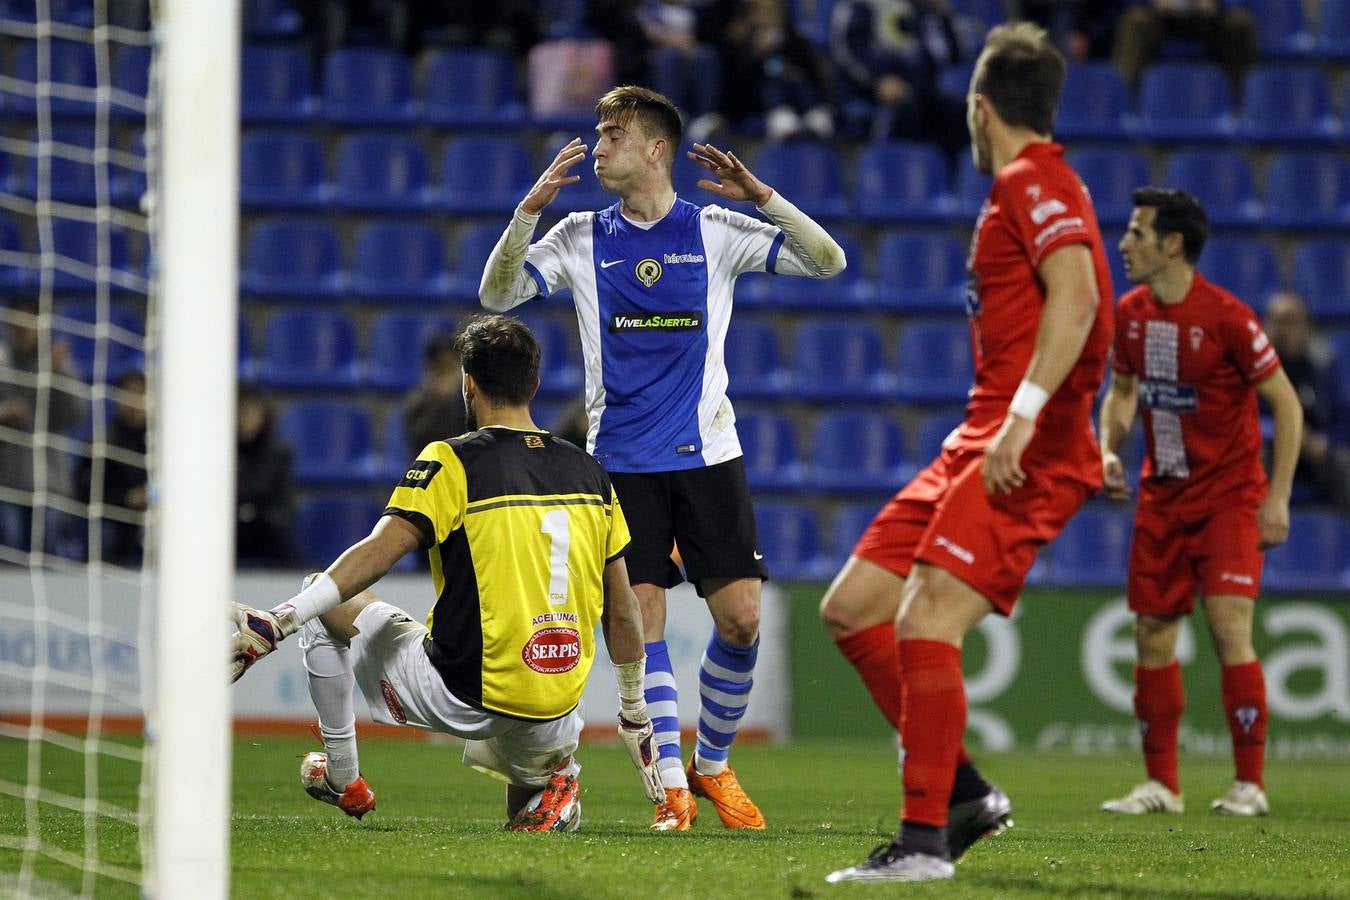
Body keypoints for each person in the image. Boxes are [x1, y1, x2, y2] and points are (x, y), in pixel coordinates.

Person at [479, 84, 846, 831]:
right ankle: (672, 784)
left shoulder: (715, 227)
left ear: (656, 148)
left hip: (709, 452)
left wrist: (763, 196)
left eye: (612, 133)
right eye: (597, 131)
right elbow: (498, 292)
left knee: (740, 618)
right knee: (643, 621)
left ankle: (713, 764)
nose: (597, 145)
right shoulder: (580, 234)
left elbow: (828, 261)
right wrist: (527, 213)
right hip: (618, 460)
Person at [820, 23, 1114, 882]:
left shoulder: (1035, 180)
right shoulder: (1030, 186)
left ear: (981, 110)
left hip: (1017, 446)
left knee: (925, 618)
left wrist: (1030, 419)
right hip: (977, 437)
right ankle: (963, 794)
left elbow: (1082, 297)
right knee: (853, 606)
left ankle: (922, 845)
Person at [229, 315, 663, 831]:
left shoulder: (452, 460)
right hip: (555, 700)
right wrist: (635, 709)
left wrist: (280, 620)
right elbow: (624, 607)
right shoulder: (591, 473)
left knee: (321, 604)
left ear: (469, 383)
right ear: (535, 386)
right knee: (524, 815)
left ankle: (343, 776)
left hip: (460, 689)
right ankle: (555, 783)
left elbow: (379, 552)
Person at [1099, 189, 1302, 818]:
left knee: (1227, 626)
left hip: (1230, 497)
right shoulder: (1131, 315)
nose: (1124, 244)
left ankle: (1249, 785)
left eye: (1137, 233)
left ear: (1173, 244)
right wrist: (1109, 446)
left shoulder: (1228, 318)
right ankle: (1162, 785)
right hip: (1163, 494)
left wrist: (1278, 498)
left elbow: (1287, 407)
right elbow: (1122, 392)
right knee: (1152, 634)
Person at [0, 296, 86, 557]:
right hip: (6, 480)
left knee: (48, 555)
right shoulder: (2, 362)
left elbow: (76, 415)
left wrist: (57, 375)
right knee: (10, 552)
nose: (22, 330)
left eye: (28, 323)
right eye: (16, 324)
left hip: (50, 479)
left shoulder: (59, 364)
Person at [1262, 290, 1350, 514]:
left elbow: (1340, 419)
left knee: (1344, 466)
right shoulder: (1251, 367)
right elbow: (1241, 418)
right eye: (1278, 321)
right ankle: (1252, 544)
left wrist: (1322, 441)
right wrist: (1282, 432)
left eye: (1292, 321)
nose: (1284, 330)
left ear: (1306, 327)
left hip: (1314, 452)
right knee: (1253, 463)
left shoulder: (1323, 366)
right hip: (1272, 448)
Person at [76, 368, 147, 566]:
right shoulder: (100, 443)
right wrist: (126, 498)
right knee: (102, 534)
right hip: (114, 520)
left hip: (151, 520)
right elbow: (84, 490)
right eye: (128, 393)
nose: (133, 400)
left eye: (139, 393)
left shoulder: (162, 446)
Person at [1112, 0, 1257, 94]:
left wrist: (1215, 5)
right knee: (1136, 21)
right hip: (1160, 19)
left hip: (1209, 22)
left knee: (1238, 23)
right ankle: (1124, 100)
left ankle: (1244, 104)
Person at [236, 384, 295, 567]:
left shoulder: (277, 453)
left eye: (251, 411)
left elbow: (281, 507)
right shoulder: (216, 453)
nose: (245, 418)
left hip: (266, 537)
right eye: (240, 411)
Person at [402, 329, 468, 459]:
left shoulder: (471, 402)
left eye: (451, 367)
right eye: (440, 368)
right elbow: (419, 443)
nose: (447, 375)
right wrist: (439, 401)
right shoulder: (418, 404)